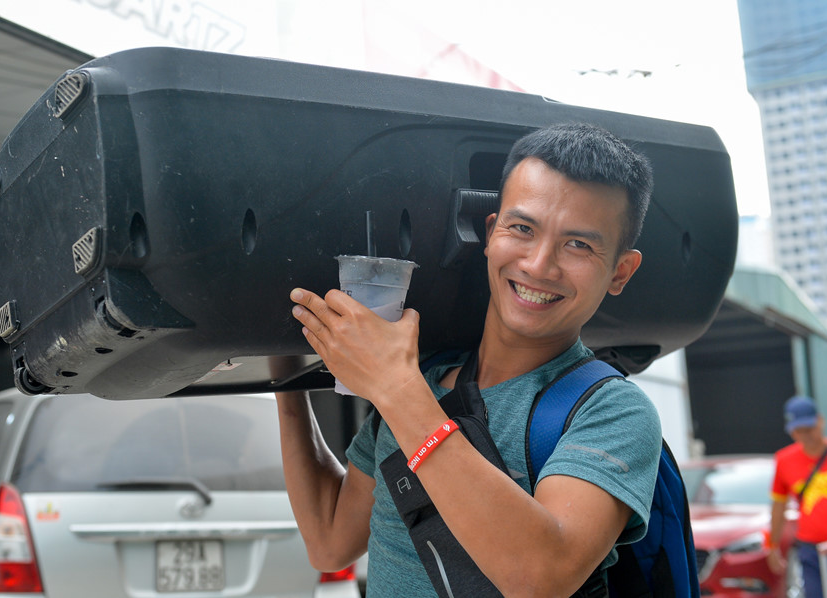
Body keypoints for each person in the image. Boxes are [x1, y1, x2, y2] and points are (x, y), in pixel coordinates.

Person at [274, 123, 662, 597]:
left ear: (621, 271)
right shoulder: (425, 381)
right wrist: (282, 367)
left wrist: (396, 389)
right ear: (490, 231)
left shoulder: (612, 412)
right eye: (522, 229)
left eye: (578, 244)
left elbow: (541, 576)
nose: (539, 265)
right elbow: (329, 541)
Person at [768, 395, 827, 598]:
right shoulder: (784, 460)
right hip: (810, 548)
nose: (805, 435)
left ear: (820, 421)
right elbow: (779, 506)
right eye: (798, 431)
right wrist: (773, 545)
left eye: (809, 428)